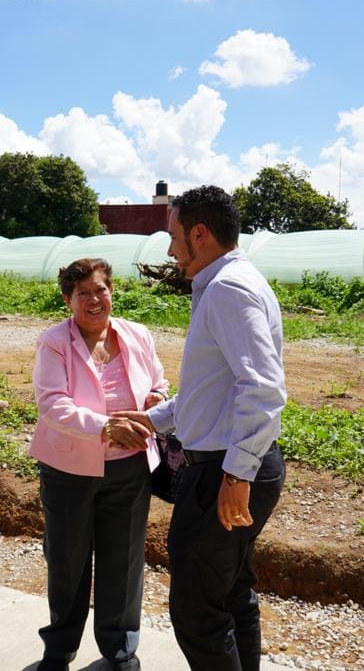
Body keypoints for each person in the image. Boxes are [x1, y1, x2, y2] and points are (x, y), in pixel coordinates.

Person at [118, 186, 287, 670]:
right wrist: (152, 419)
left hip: (222, 471)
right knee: (231, 593)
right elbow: (213, 391)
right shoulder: (228, 283)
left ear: (200, 233)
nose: (170, 250)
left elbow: (263, 389)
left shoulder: (229, 290)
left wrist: (237, 475)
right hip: (229, 463)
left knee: (197, 610)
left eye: (174, 237)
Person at [29, 258, 167, 671]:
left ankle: (119, 649)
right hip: (69, 470)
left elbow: (158, 383)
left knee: (122, 561)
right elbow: (52, 404)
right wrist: (108, 427)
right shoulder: (54, 341)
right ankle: (59, 649)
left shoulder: (137, 335)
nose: (94, 300)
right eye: (83, 293)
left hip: (129, 468)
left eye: (101, 290)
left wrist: (156, 401)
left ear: (112, 292)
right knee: (68, 561)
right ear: (68, 299)